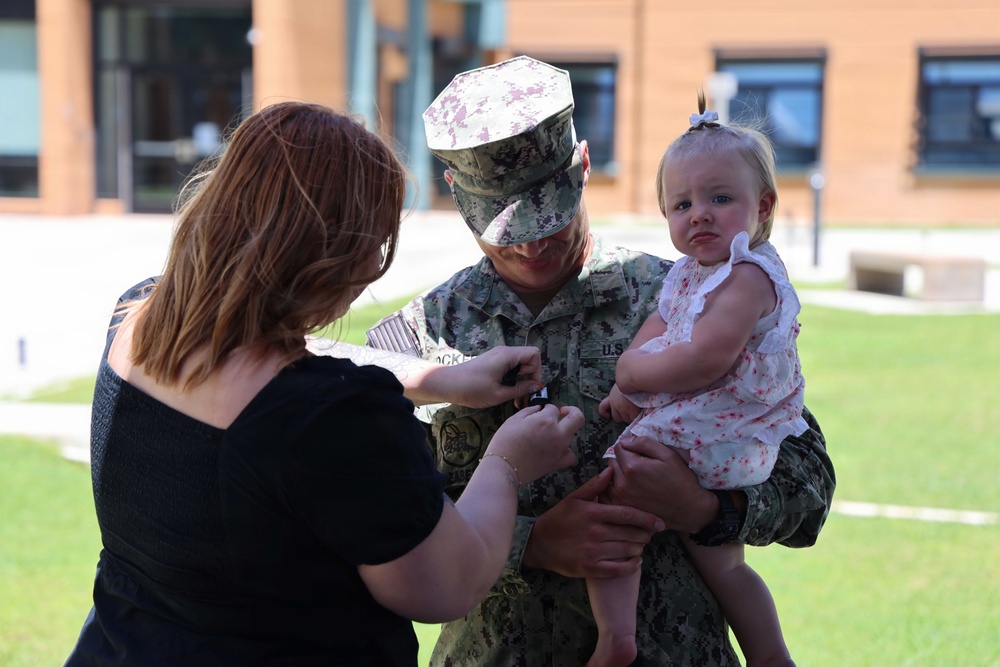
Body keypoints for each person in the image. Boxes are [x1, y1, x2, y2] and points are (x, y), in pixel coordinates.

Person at [63, 101, 584, 667]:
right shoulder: (338, 417)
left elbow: (277, 361)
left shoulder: (141, 317)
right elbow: (448, 586)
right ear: (338, 258)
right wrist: (507, 463)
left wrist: (441, 379)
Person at [365, 56, 836, 666]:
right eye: (509, 225)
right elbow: (383, 524)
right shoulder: (414, 344)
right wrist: (529, 543)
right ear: (455, 193)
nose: (533, 243)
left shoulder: (692, 297)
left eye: (549, 214)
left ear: (583, 165)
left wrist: (705, 509)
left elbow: (808, 483)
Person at [588, 94, 806, 667]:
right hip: (711, 427)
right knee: (725, 564)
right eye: (681, 203)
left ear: (763, 206)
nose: (699, 214)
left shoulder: (749, 276)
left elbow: (707, 360)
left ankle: (615, 638)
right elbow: (658, 327)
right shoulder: (690, 273)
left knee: (616, 493)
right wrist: (625, 387)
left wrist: (630, 372)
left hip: (727, 432)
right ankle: (769, 654)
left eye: (720, 197)